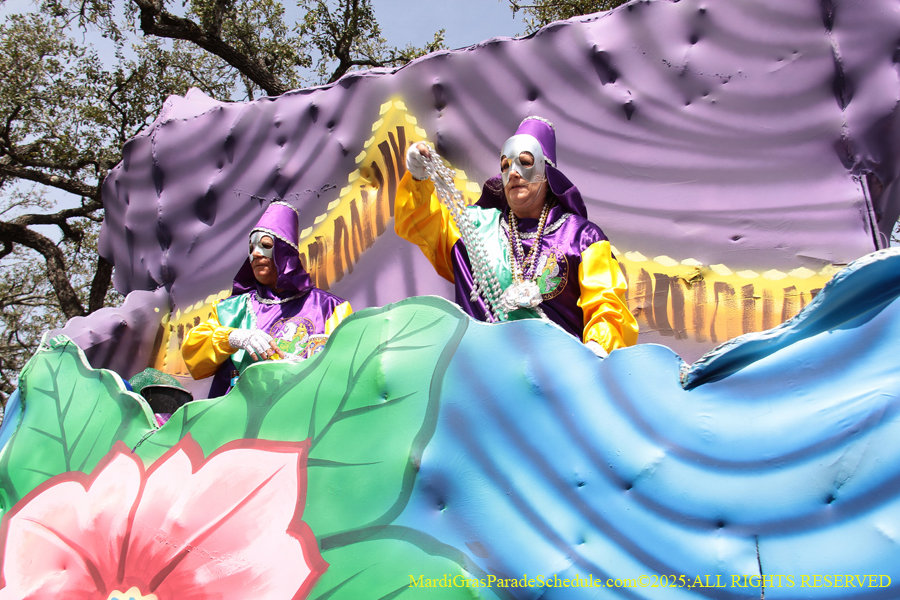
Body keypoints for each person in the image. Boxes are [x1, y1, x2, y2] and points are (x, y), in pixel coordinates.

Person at [395, 116, 637, 358]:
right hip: (483, 379)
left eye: (524, 162)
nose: (512, 173)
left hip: (557, 381)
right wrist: (418, 179)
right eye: (505, 166)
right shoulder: (475, 229)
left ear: (546, 171)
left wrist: (597, 350)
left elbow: (608, 307)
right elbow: (421, 223)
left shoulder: (583, 238)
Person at [183, 201, 352, 395]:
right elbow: (194, 357)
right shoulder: (231, 309)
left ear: (284, 253)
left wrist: (308, 369)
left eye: (265, 245)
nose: (255, 254)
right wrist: (232, 337)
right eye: (251, 248)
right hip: (239, 417)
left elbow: (347, 369)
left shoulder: (330, 309)